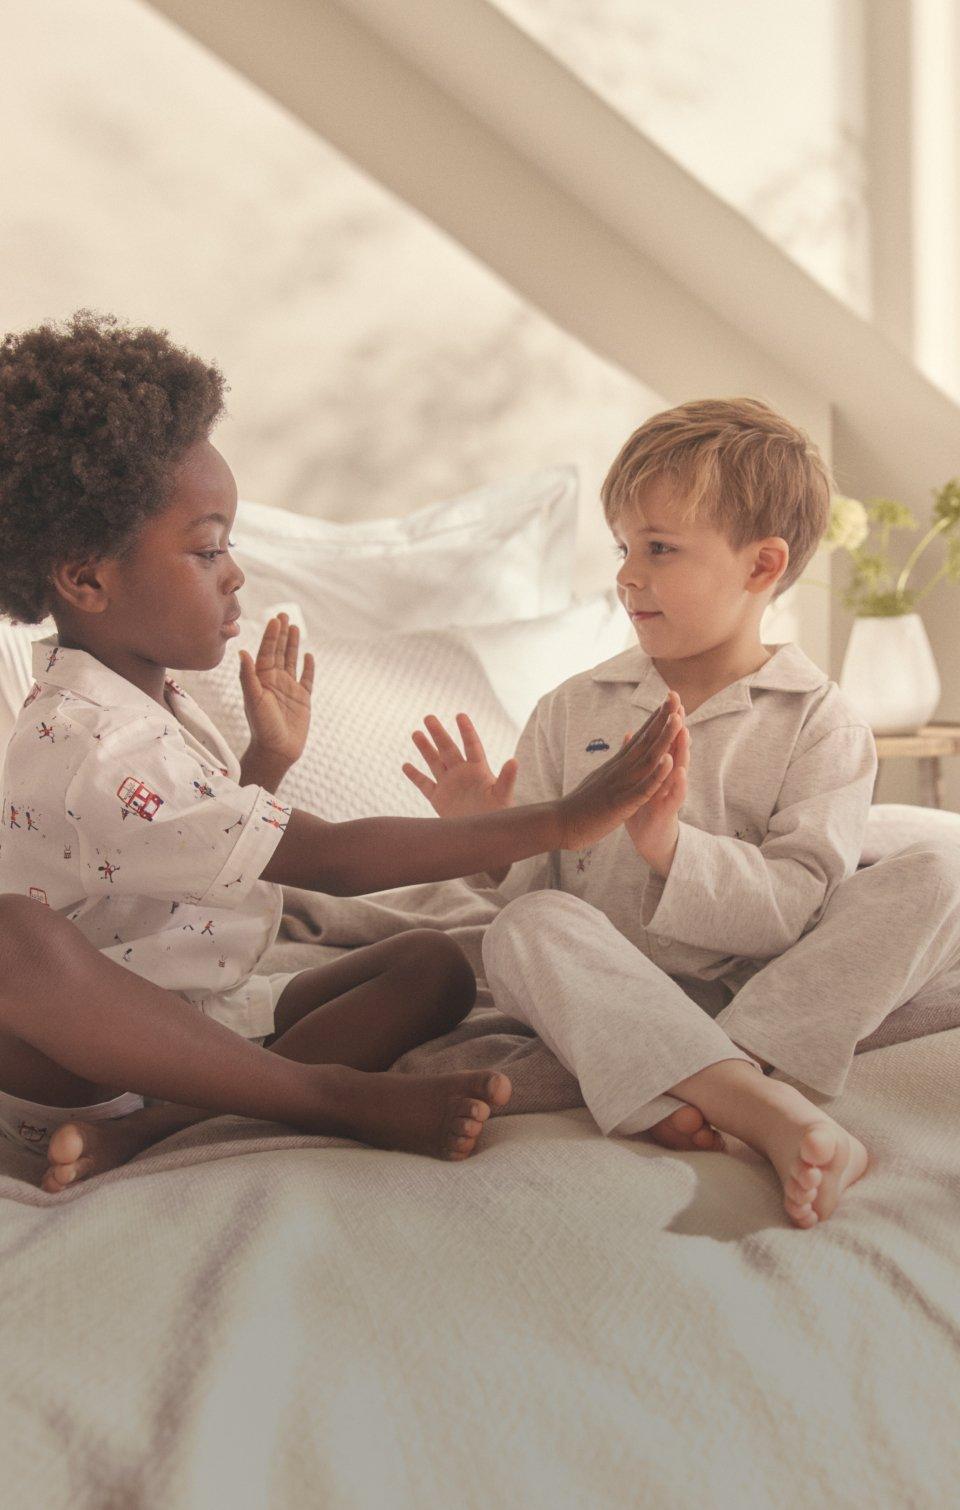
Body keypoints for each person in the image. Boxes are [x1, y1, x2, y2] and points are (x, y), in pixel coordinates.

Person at [0, 310, 683, 1193]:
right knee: (12, 937)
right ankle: (323, 1098)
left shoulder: (147, 702)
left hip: (184, 1030)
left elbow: (186, 854)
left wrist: (266, 764)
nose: (235, 574)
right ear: (87, 578)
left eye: (230, 547)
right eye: (207, 551)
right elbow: (329, 861)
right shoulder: (86, 737)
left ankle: (157, 1133)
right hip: (68, 1076)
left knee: (432, 965)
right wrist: (558, 819)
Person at [403, 397, 960, 1229]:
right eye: (625, 547)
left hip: (764, 992)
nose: (627, 573)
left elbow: (793, 908)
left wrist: (670, 849)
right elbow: (526, 893)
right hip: (607, 987)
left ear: (761, 566)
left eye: (658, 549)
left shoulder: (821, 721)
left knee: (940, 870)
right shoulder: (571, 708)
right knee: (527, 930)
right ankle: (758, 1102)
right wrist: (486, 833)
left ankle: (711, 1073)